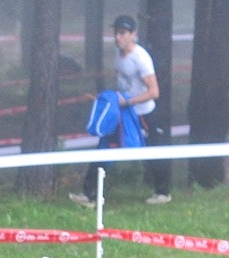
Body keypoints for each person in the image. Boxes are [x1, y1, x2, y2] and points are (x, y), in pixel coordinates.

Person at [70, 14, 169, 207]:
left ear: (133, 34)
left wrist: (129, 101)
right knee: (103, 147)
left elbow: (154, 92)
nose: (118, 37)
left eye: (122, 33)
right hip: (122, 113)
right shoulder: (118, 53)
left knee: (153, 152)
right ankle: (89, 195)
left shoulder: (141, 58)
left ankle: (163, 193)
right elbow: (123, 83)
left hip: (143, 114)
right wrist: (109, 100)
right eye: (116, 33)